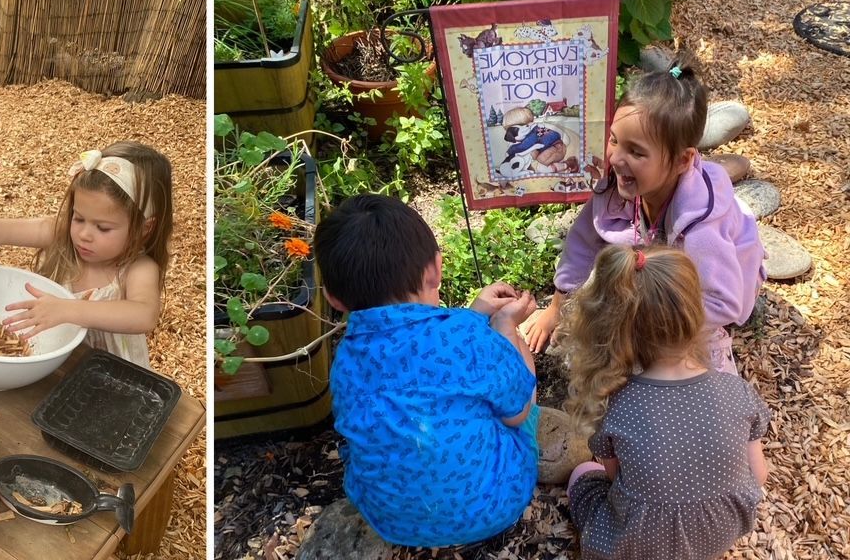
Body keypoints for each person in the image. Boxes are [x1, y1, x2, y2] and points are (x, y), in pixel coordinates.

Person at [312, 194, 538, 551]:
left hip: (390, 520)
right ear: (436, 269)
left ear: (334, 298)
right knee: (521, 400)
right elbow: (518, 411)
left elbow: (420, 358)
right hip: (495, 506)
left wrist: (475, 313)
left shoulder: (346, 360)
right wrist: (504, 327)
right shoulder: (466, 336)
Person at [521, 46, 765, 374]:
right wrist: (557, 305)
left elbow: (725, 304)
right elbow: (582, 243)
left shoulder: (701, 229)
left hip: (723, 279)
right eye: (613, 140)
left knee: (695, 362)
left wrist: (648, 325)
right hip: (661, 250)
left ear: (682, 160)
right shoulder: (617, 184)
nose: (616, 158)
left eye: (636, 152)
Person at [559, 245, 770, 560]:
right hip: (717, 535)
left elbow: (619, 482)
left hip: (637, 546)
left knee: (583, 474)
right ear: (695, 311)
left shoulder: (618, 404)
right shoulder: (736, 391)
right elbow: (759, 474)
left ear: (619, 327)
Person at [0, 144, 172, 365]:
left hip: (111, 374)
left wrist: (68, 310)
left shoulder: (138, 268)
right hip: (51, 362)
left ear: (144, 228)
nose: (84, 234)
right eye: (79, 218)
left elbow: (144, 315)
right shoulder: (62, 233)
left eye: (103, 227)